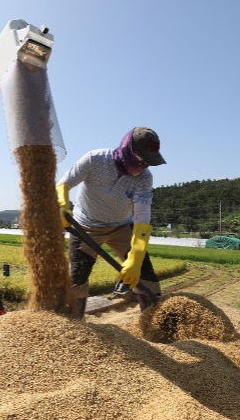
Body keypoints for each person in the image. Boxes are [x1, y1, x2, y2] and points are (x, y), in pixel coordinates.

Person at [56, 127, 166, 318]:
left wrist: (136, 258)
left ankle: (155, 324)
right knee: (77, 277)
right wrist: (62, 205)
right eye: (141, 161)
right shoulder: (95, 159)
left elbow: (142, 218)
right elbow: (64, 183)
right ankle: (73, 327)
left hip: (121, 227)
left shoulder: (144, 178)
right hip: (86, 227)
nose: (143, 167)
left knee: (145, 275)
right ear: (127, 151)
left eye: (148, 163)